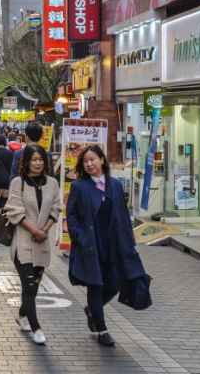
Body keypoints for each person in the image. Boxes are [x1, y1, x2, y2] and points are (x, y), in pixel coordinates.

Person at [67, 145, 147, 348]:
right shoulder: (79, 187)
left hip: (114, 244)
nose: (89, 164)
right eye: (85, 161)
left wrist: (130, 242)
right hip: (91, 245)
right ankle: (102, 329)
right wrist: (80, 237)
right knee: (96, 285)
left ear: (102, 160)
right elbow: (72, 216)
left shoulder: (115, 185)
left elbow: (122, 216)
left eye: (93, 159)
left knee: (115, 283)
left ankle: (92, 309)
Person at [4, 145, 61, 346]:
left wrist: (44, 229)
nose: (37, 163)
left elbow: (56, 208)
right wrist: (34, 230)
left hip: (42, 242)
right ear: (26, 161)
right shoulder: (17, 183)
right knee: (28, 284)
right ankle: (36, 328)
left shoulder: (53, 183)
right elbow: (14, 211)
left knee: (34, 288)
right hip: (23, 241)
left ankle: (21, 314)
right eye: (34, 159)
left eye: (41, 159)